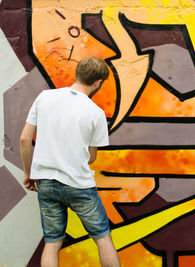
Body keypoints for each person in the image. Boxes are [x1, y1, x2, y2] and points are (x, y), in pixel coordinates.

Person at [19, 57, 121, 267]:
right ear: (98, 82)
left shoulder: (45, 98)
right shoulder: (96, 113)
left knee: (52, 242)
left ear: (78, 73)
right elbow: (91, 157)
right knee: (103, 238)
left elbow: (24, 139)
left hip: (46, 183)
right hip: (79, 185)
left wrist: (29, 173)